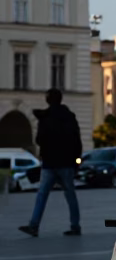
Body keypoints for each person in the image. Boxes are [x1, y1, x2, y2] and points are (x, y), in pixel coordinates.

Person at [19, 88, 83, 237]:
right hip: (66, 161)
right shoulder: (69, 117)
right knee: (70, 195)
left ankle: (34, 225)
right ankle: (75, 225)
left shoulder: (45, 117)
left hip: (49, 161)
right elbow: (76, 140)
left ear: (48, 100)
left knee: (42, 195)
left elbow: (39, 140)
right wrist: (76, 160)